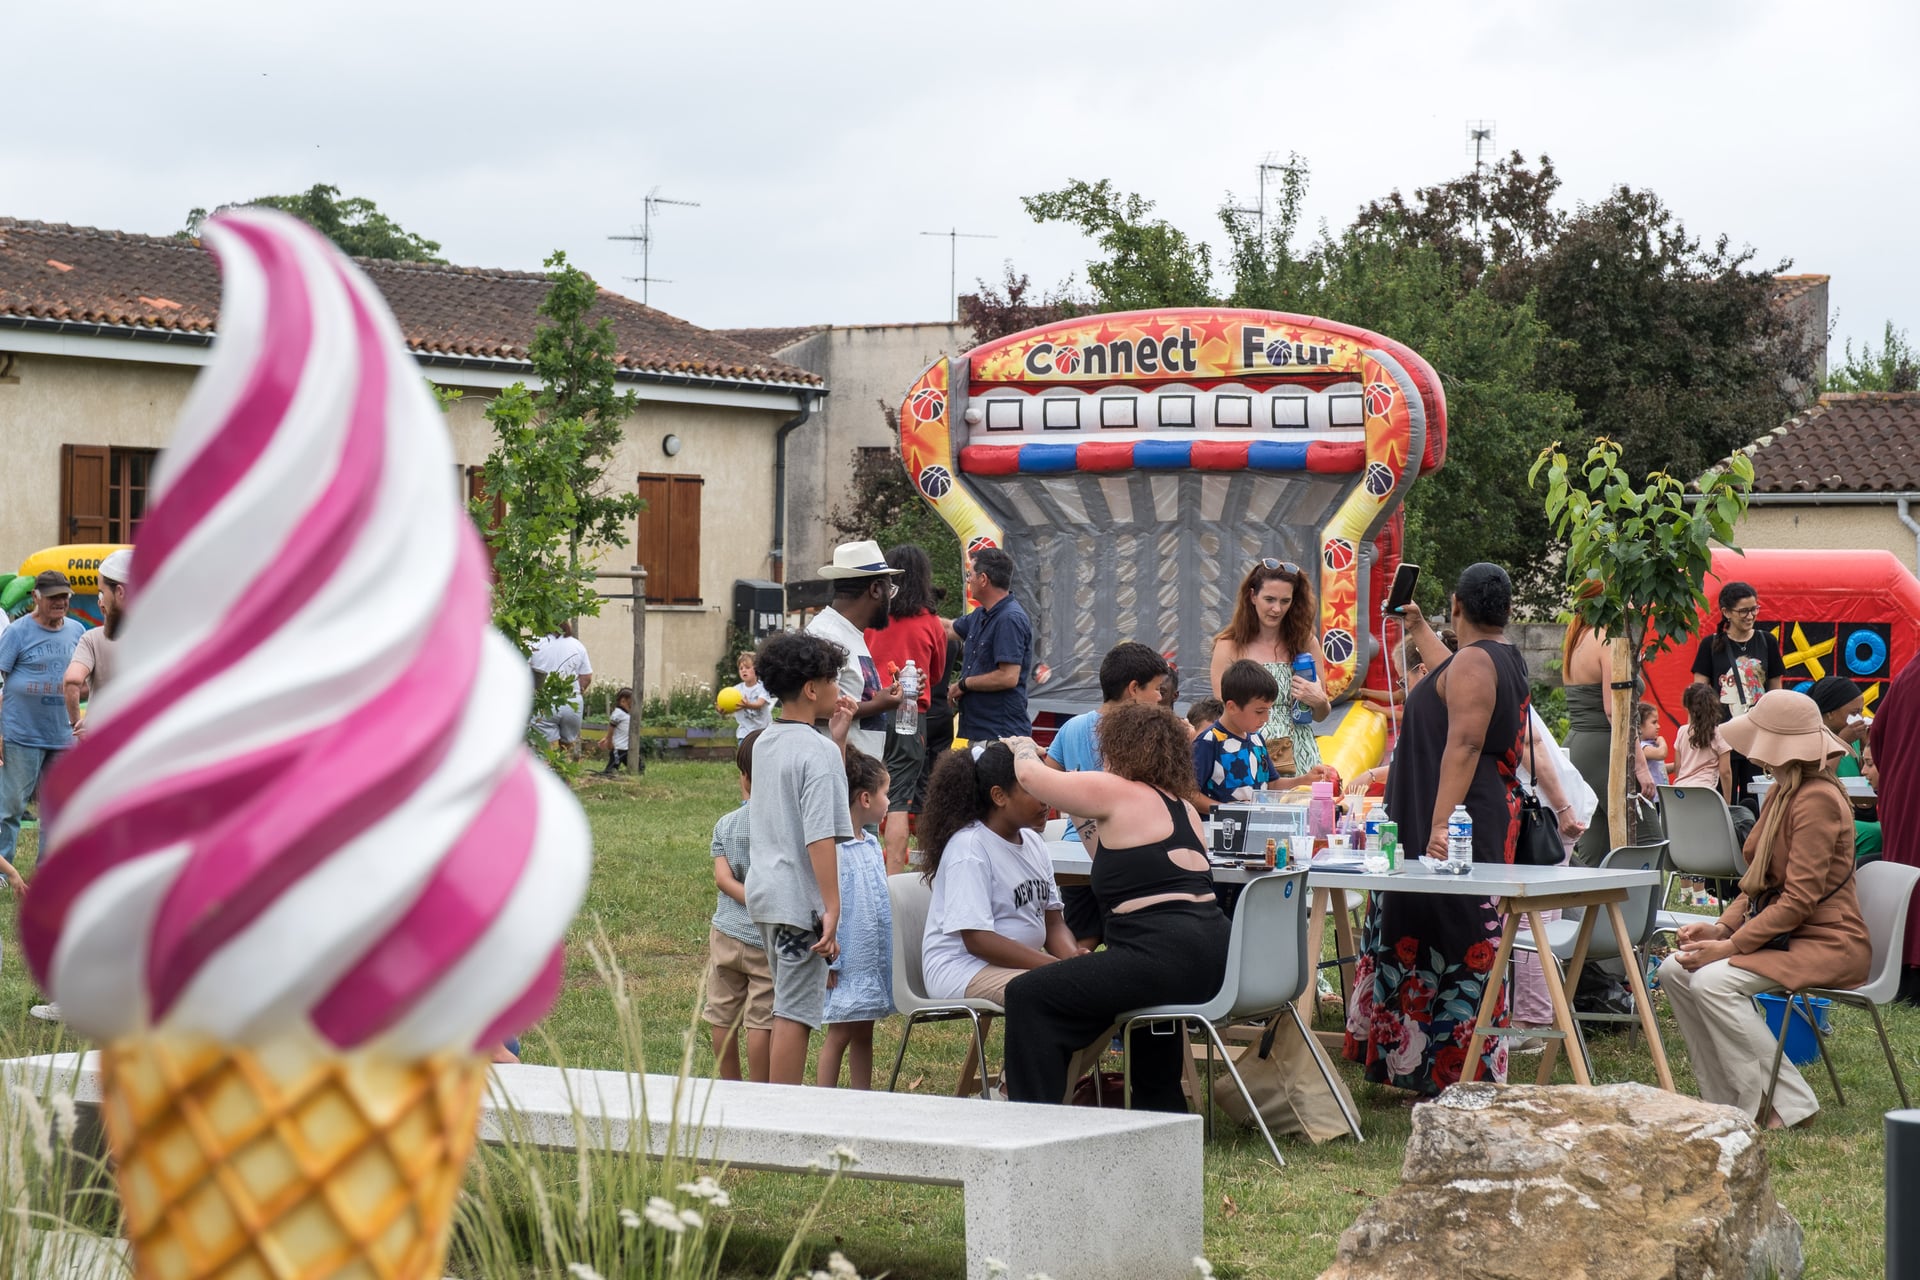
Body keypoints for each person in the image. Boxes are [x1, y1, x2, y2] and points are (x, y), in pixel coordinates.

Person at [1344, 563, 1530, 1096]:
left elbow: (1466, 743)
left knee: (1454, 929)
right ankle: (1418, 1064)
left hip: (1460, 816)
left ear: (1458, 605)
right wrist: (1418, 628)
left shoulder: (1476, 662)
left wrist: (1443, 824)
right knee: (1427, 922)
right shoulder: (1491, 657)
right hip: (1461, 809)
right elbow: (1453, 679)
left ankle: (1452, 1068)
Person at [999, 703, 1232, 1112]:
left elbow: (1030, 777)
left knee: (1027, 994)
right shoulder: (1181, 806)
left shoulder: (1117, 789)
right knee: (1140, 999)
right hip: (1215, 955)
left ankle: (1030, 1119)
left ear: (1121, 748)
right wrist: (1076, 803)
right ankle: (1158, 1109)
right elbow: (1104, 854)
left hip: (1161, 955)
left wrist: (1021, 746)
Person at [1659, 689, 1868, 1128]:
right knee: (1674, 971)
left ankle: (1788, 1106)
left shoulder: (1817, 799)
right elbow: (1757, 885)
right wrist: (1719, 928)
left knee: (1713, 982)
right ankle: (1727, 1100)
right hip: (1785, 934)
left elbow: (1797, 901)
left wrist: (1730, 945)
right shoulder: (1782, 792)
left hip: (1827, 942)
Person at [744, 630, 859, 1085]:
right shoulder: (818, 752)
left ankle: (773, 1110)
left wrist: (835, 740)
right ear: (812, 689)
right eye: (833, 680)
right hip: (799, 905)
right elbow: (819, 837)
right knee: (795, 1013)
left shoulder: (766, 741)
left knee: (783, 1002)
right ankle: (782, 1121)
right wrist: (832, 907)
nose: (840, 690)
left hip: (765, 896)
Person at [919, 742, 1081, 1007]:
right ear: (999, 796)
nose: (1046, 800)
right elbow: (978, 941)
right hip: (961, 970)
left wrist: (1072, 958)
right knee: (1063, 994)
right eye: (1033, 789)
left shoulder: (1034, 842)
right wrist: (1055, 967)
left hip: (1015, 967)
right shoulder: (970, 848)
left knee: (1095, 991)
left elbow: (1053, 922)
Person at [1043, 641, 1170, 945]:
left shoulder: (1071, 727)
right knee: (1128, 940)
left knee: (1082, 939)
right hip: (1127, 852)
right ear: (1133, 688)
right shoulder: (1144, 734)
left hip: (1074, 850)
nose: (1160, 697)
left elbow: (1049, 782)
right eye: (1156, 688)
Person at [865, 545, 948, 873]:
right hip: (909, 716)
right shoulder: (930, 622)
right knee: (898, 798)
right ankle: (894, 880)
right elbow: (937, 674)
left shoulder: (871, 617)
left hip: (869, 711)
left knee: (865, 791)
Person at [1208, 559, 1331, 779]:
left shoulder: (1306, 643)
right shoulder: (1228, 645)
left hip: (1299, 752)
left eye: (1285, 601)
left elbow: (1321, 715)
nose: (1277, 609)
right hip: (1245, 750)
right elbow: (1224, 711)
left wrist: (1319, 701)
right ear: (1252, 596)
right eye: (1269, 599)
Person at [818, 749, 896, 1090]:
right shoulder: (835, 851)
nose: (889, 801)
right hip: (846, 962)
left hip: (871, 961)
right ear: (865, 798)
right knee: (840, 1032)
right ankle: (824, 1102)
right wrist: (829, 963)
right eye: (885, 793)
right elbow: (824, 908)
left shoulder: (869, 845)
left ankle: (862, 1102)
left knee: (865, 1030)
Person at [0, 571, 86, 869]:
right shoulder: (16, 632)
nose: (60, 602)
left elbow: (83, 678)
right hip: (20, 734)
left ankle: (47, 872)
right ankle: (2, 871)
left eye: (64, 596)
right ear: (36, 597)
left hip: (63, 735)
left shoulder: (77, 631)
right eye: (53, 597)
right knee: (10, 808)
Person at [1559, 586, 1650, 865]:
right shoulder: (1608, 642)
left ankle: (1584, 909)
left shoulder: (1578, 640)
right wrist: (1641, 765)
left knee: (1595, 849)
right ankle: (1642, 910)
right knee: (1648, 841)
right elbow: (1615, 711)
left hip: (1578, 747)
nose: (1634, 606)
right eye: (1628, 599)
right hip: (1605, 748)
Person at [705, 729, 773, 1082]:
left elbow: (722, 878)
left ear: (744, 776)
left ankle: (730, 1086)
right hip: (765, 939)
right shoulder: (779, 827)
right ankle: (760, 1088)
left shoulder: (726, 824)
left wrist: (745, 896)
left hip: (726, 934)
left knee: (721, 1014)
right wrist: (762, 903)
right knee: (761, 1018)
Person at [1191, 659, 1332, 815]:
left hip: (1256, 827)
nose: (1266, 718)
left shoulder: (1256, 739)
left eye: (1268, 710)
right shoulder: (1208, 742)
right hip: (1221, 832)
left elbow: (1271, 784)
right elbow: (1190, 793)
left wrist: (1304, 780)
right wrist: (1225, 811)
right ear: (1232, 707)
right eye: (1259, 711)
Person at [1690, 580, 1785, 810]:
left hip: (1758, 737)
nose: (1750, 615)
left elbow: (1776, 690)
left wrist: (1777, 731)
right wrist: (1698, 731)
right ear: (1726, 612)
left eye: (1754, 609)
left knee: (1759, 800)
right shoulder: (1711, 645)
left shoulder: (1766, 641)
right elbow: (1698, 692)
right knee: (1723, 801)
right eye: (1743, 611)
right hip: (1723, 736)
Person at [808, 540, 904, 760]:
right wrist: (878, 704)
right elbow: (810, 709)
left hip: (858, 772)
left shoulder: (850, 633)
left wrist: (884, 696)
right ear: (876, 589)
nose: (891, 600)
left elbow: (849, 695)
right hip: (836, 769)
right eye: (891, 590)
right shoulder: (827, 635)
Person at [1868, 653, 1920, 985]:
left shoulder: (1911, 670)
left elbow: (1878, 734)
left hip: (1905, 789)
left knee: (1907, 878)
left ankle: (1897, 968)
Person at [950, 547, 1034, 742]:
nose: (968, 580)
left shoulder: (1009, 619)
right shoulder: (981, 614)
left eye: (970, 575)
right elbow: (947, 629)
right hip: (981, 731)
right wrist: (911, 610)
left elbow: (1008, 677)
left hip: (1000, 736)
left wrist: (964, 684)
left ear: (983, 579)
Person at [1808, 675, 1880, 861]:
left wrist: (1866, 745)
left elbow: (1864, 778)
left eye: (1860, 712)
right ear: (1830, 713)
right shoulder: (1814, 738)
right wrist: (1841, 741)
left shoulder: (1852, 739)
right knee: (1877, 833)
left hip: (1851, 811)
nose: (1858, 718)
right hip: (1822, 816)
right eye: (1853, 712)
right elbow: (1819, 781)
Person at [64, 548, 132, 739]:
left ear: (119, 592)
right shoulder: (163, 632)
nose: (100, 601)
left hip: (103, 738)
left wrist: (76, 724)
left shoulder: (93, 638)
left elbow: (72, 680)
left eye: (102, 593)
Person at [529, 622, 592, 759]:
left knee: (545, 749)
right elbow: (586, 677)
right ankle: (563, 773)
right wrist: (578, 692)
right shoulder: (577, 645)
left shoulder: (535, 643)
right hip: (572, 701)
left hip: (545, 702)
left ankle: (549, 771)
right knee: (567, 746)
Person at [730, 652, 772, 739]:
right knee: (745, 753)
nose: (743, 670)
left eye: (747, 667)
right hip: (744, 734)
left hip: (763, 733)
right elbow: (731, 707)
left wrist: (747, 705)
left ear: (757, 670)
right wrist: (723, 710)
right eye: (741, 668)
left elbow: (759, 704)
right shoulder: (736, 690)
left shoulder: (763, 687)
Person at [1638, 704, 1669, 787]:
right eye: (1654, 722)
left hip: (1660, 797)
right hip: (1652, 797)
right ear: (1640, 726)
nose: (1658, 726)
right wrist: (1662, 741)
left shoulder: (1652, 744)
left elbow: (1660, 769)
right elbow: (1661, 754)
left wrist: (1676, 765)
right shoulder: (1641, 747)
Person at [603, 687, 633, 774]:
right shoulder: (618, 713)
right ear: (623, 701)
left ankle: (625, 773)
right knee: (611, 768)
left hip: (626, 749)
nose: (633, 703)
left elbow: (617, 730)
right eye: (631, 701)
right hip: (618, 748)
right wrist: (609, 741)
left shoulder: (625, 714)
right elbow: (611, 727)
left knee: (639, 767)